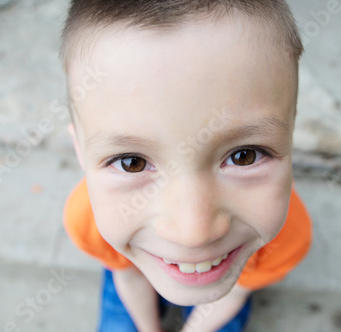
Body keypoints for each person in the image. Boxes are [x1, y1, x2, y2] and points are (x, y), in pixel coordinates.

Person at [61, 1, 312, 331]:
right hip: (132, 263)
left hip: (238, 266)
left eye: (244, 155)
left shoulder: (286, 239)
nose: (193, 233)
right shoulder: (90, 223)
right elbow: (129, 276)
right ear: (80, 152)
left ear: (290, 136)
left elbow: (234, 294)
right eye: (132, 163)